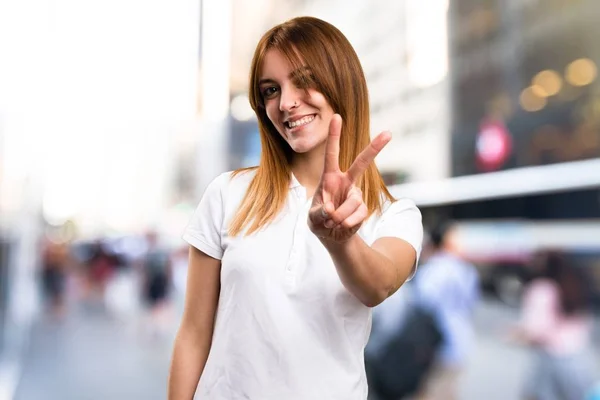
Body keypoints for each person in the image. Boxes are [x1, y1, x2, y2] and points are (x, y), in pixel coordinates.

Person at [168, 16, 423, 400]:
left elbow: (378, 284)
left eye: (303, 80)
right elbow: (192, 334)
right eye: (271, 90)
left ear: (341, 82)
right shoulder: (227, 193)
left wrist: (340, 241)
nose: (285, 103)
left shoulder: (396, 215)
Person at [509, 250, 597, 400]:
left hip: (549, 359)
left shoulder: (541, 289)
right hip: (577, 359)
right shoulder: (574, 285)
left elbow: (536, 330)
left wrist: (514, 334)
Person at [412, 221, 480, 400]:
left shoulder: (433, 269)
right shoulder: (467, 270)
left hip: (436, 346)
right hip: (459, 342)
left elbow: (422, 307)